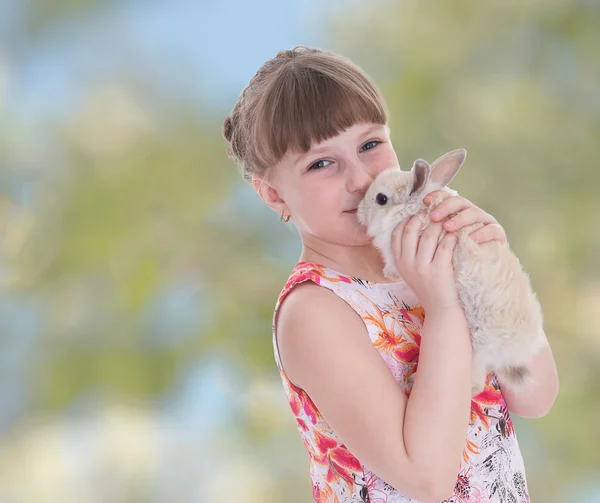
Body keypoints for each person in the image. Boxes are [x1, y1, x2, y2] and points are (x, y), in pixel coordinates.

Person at [222, 46, 558, 503]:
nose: (360, 179)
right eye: (321, 163)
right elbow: (426, 480)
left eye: (370, 145)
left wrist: (494, 265)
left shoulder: (427, 262)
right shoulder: (315, 310)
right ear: (273, 195)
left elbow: (534, 397)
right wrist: (442, 309)